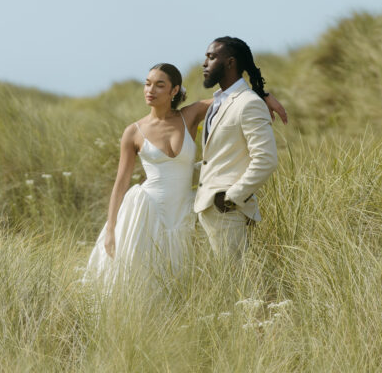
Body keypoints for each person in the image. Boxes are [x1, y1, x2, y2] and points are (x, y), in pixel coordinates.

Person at [81, 62, 285, 293]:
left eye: (159, 85)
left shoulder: (190, 115)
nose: (150, 90)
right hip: (147, 211)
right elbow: (121, 183)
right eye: (147, 84)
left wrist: (264, 96)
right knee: (140, 283)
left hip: (185, 210)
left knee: (185, 281)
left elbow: (233, 99)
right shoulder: (133, 132)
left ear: (174, 90)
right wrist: (111, 229)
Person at [194, 37, 279, 261]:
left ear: (230, 62)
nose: (204, 63)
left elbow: (266, 159)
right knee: (224, 287)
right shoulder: (219, 102)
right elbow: (217, 157)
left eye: (211, 58)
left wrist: (232, 197)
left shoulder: (248, 103)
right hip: (208, 209)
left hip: (228, 211)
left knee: (236, 287)